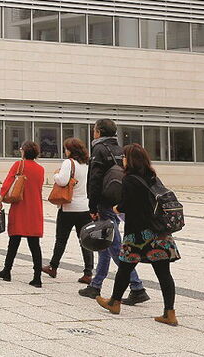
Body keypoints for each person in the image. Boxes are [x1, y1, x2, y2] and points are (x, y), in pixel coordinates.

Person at [96, 144, 180, 326]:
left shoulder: (129, 179)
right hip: (159, 233)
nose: (123, 160)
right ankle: (169, 312)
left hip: (138, 235)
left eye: (125, 157)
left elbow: (126, 205)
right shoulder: (152, 177)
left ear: (130, 160)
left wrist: (116, 208)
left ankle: (114, 303)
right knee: (164, 273)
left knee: (125, 268)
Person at [81, 119, 150, 304]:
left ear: (99, 132)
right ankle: (95, 285)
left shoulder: (99, 149)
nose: (93, 133)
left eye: (94, 130)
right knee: (106, 242)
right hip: (117, 201)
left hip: (105, 202)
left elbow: (95, 179)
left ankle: (137, 287)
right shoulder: (120, 149)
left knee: (113, 245)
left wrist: (92, 206)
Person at [0, 141, 46, 287]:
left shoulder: (19, 165)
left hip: (20, 206)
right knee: (35, 244)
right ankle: (37, 277)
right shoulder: (41, 169)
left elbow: (7, 184)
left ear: (23, 151)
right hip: (35, 208)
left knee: (14, 241)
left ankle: (7, 270)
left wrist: (0, 200)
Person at [42, 138, 93, 284]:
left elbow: (62, 181)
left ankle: (53, 266)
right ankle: (88, 272)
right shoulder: (86, 164)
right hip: (84, 207)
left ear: (70, 150)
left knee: (61, 239)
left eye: (66, 148)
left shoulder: (68, 163)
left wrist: (55, 175)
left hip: (69, 207)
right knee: (84, 240)